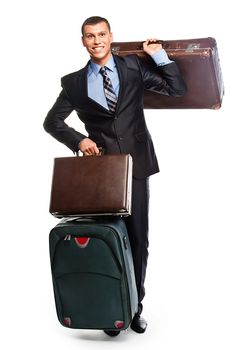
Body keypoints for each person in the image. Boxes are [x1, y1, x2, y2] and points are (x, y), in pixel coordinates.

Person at [43, 16, 186, 336]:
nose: (97, 41)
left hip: (136, 166)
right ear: (83, 41)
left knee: (137, 239)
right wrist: (79, 140)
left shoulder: (133, 67)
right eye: (90, 36)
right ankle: (111, 306)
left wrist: (159, 56)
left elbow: (177, 88)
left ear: (111, 36)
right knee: (107, 238)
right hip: (102, 173)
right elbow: (52, 122)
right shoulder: (74, 82)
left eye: (102, 34)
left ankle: (135, 307)